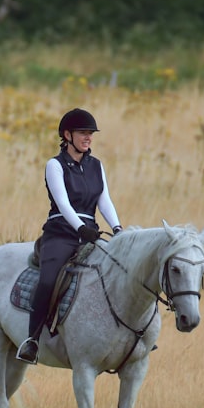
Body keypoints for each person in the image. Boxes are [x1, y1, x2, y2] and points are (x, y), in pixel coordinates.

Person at [16, 108, 123, 364]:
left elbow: (104, 200)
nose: (88, 138)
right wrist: (80, 229)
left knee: (119, 271)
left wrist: (117, 227)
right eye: (83, 133)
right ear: (67, 135)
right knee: (48, 280)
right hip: (61, 233)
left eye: (90, 134)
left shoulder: (96, 165)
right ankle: (32, 340)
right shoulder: (55, 165)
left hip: (90, 234)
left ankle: (127, 336)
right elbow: (63, 203)